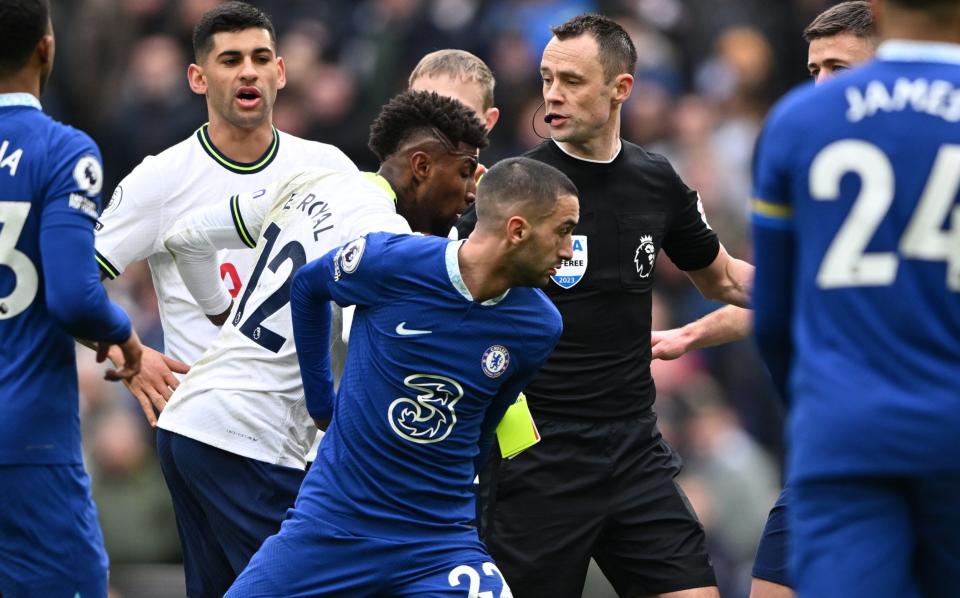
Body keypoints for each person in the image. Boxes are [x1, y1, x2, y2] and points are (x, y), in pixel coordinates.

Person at [155, 89, 487, 598]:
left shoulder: (312, 181)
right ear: (421, 165)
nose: (470, 193)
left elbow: (184, 238)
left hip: (188, 424)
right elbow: (366, 339)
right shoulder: (382, 230)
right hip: (254, 440)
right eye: (465, 171)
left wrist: (225, 317)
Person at [475, 14, 753, 598]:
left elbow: (725, 278)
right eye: (548, 77)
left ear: (620, 89)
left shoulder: (656, 181)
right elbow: (456, 294)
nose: (553, 93)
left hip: (634, 450)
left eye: (572, 81)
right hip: (537, 455)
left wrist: (814, 290)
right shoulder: (515, 185)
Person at [225, 156, 575, 597]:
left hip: (439, 544)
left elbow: (484, 427)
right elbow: (308, 288)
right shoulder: (390, 261)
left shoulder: (539, 326)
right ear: (518, 230)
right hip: (333, 525)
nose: (568, 251)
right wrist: (321, 405)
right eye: (563, 231)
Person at [645, 4, 878, 597]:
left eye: (839, 66)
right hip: (823, 444)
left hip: (904, 441)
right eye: (815, 68)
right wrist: (690, 335)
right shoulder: (810, 165)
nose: (823, 83)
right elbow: (778, 290)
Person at [753, 0, 960, 596]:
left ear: (877, 8)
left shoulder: (799, 122)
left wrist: (820, 402)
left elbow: (774, 317)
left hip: (845, 432)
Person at [93, 1, 356, 426]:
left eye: (261, 58)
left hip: (311, 434)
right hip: (211, 431)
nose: (248, 71)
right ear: (197, 79)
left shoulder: (329, 168)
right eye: (230, 60)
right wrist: (131, 353)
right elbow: (73, 281)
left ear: (281, 73)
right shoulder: (160, 180)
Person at [0, 1, 143, 595]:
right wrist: (124, 334)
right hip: (25, 432)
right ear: (47, 48)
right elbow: (73, 296)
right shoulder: (63, 150)